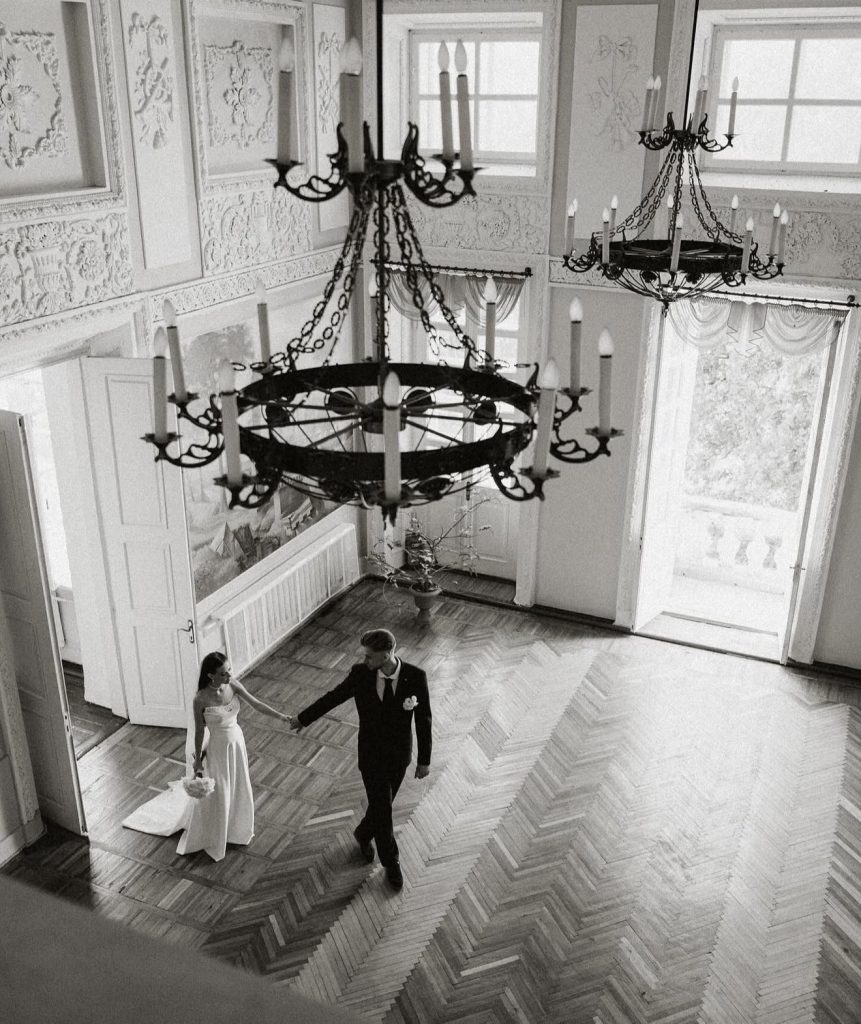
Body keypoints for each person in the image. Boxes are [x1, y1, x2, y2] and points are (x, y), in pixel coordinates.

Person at [290, 628, 431, 890]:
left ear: (386, 654)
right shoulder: (360, 674)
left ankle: (363, 832)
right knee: (384, 810)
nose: (364, 660)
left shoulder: (415, 676)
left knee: (381, 805)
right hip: (371, 755)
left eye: (369, 656)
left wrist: (424, 760)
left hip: (399, 756)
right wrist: (303, 718)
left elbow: (424, 720)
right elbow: (333, 698)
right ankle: (391, 862)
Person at [123, 651, 292, 862]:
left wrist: (281, 717)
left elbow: (256, 704)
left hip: (236, 744)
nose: (229, 676)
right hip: (219, 748)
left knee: (238, 784)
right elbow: (199, 731)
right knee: (221, 790)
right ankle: (217, 833)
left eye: (229, 670)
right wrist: (197, 761)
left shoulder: (233, 685)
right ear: (211, 675)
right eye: (223, 673)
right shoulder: (201, 699)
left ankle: (237, 829)